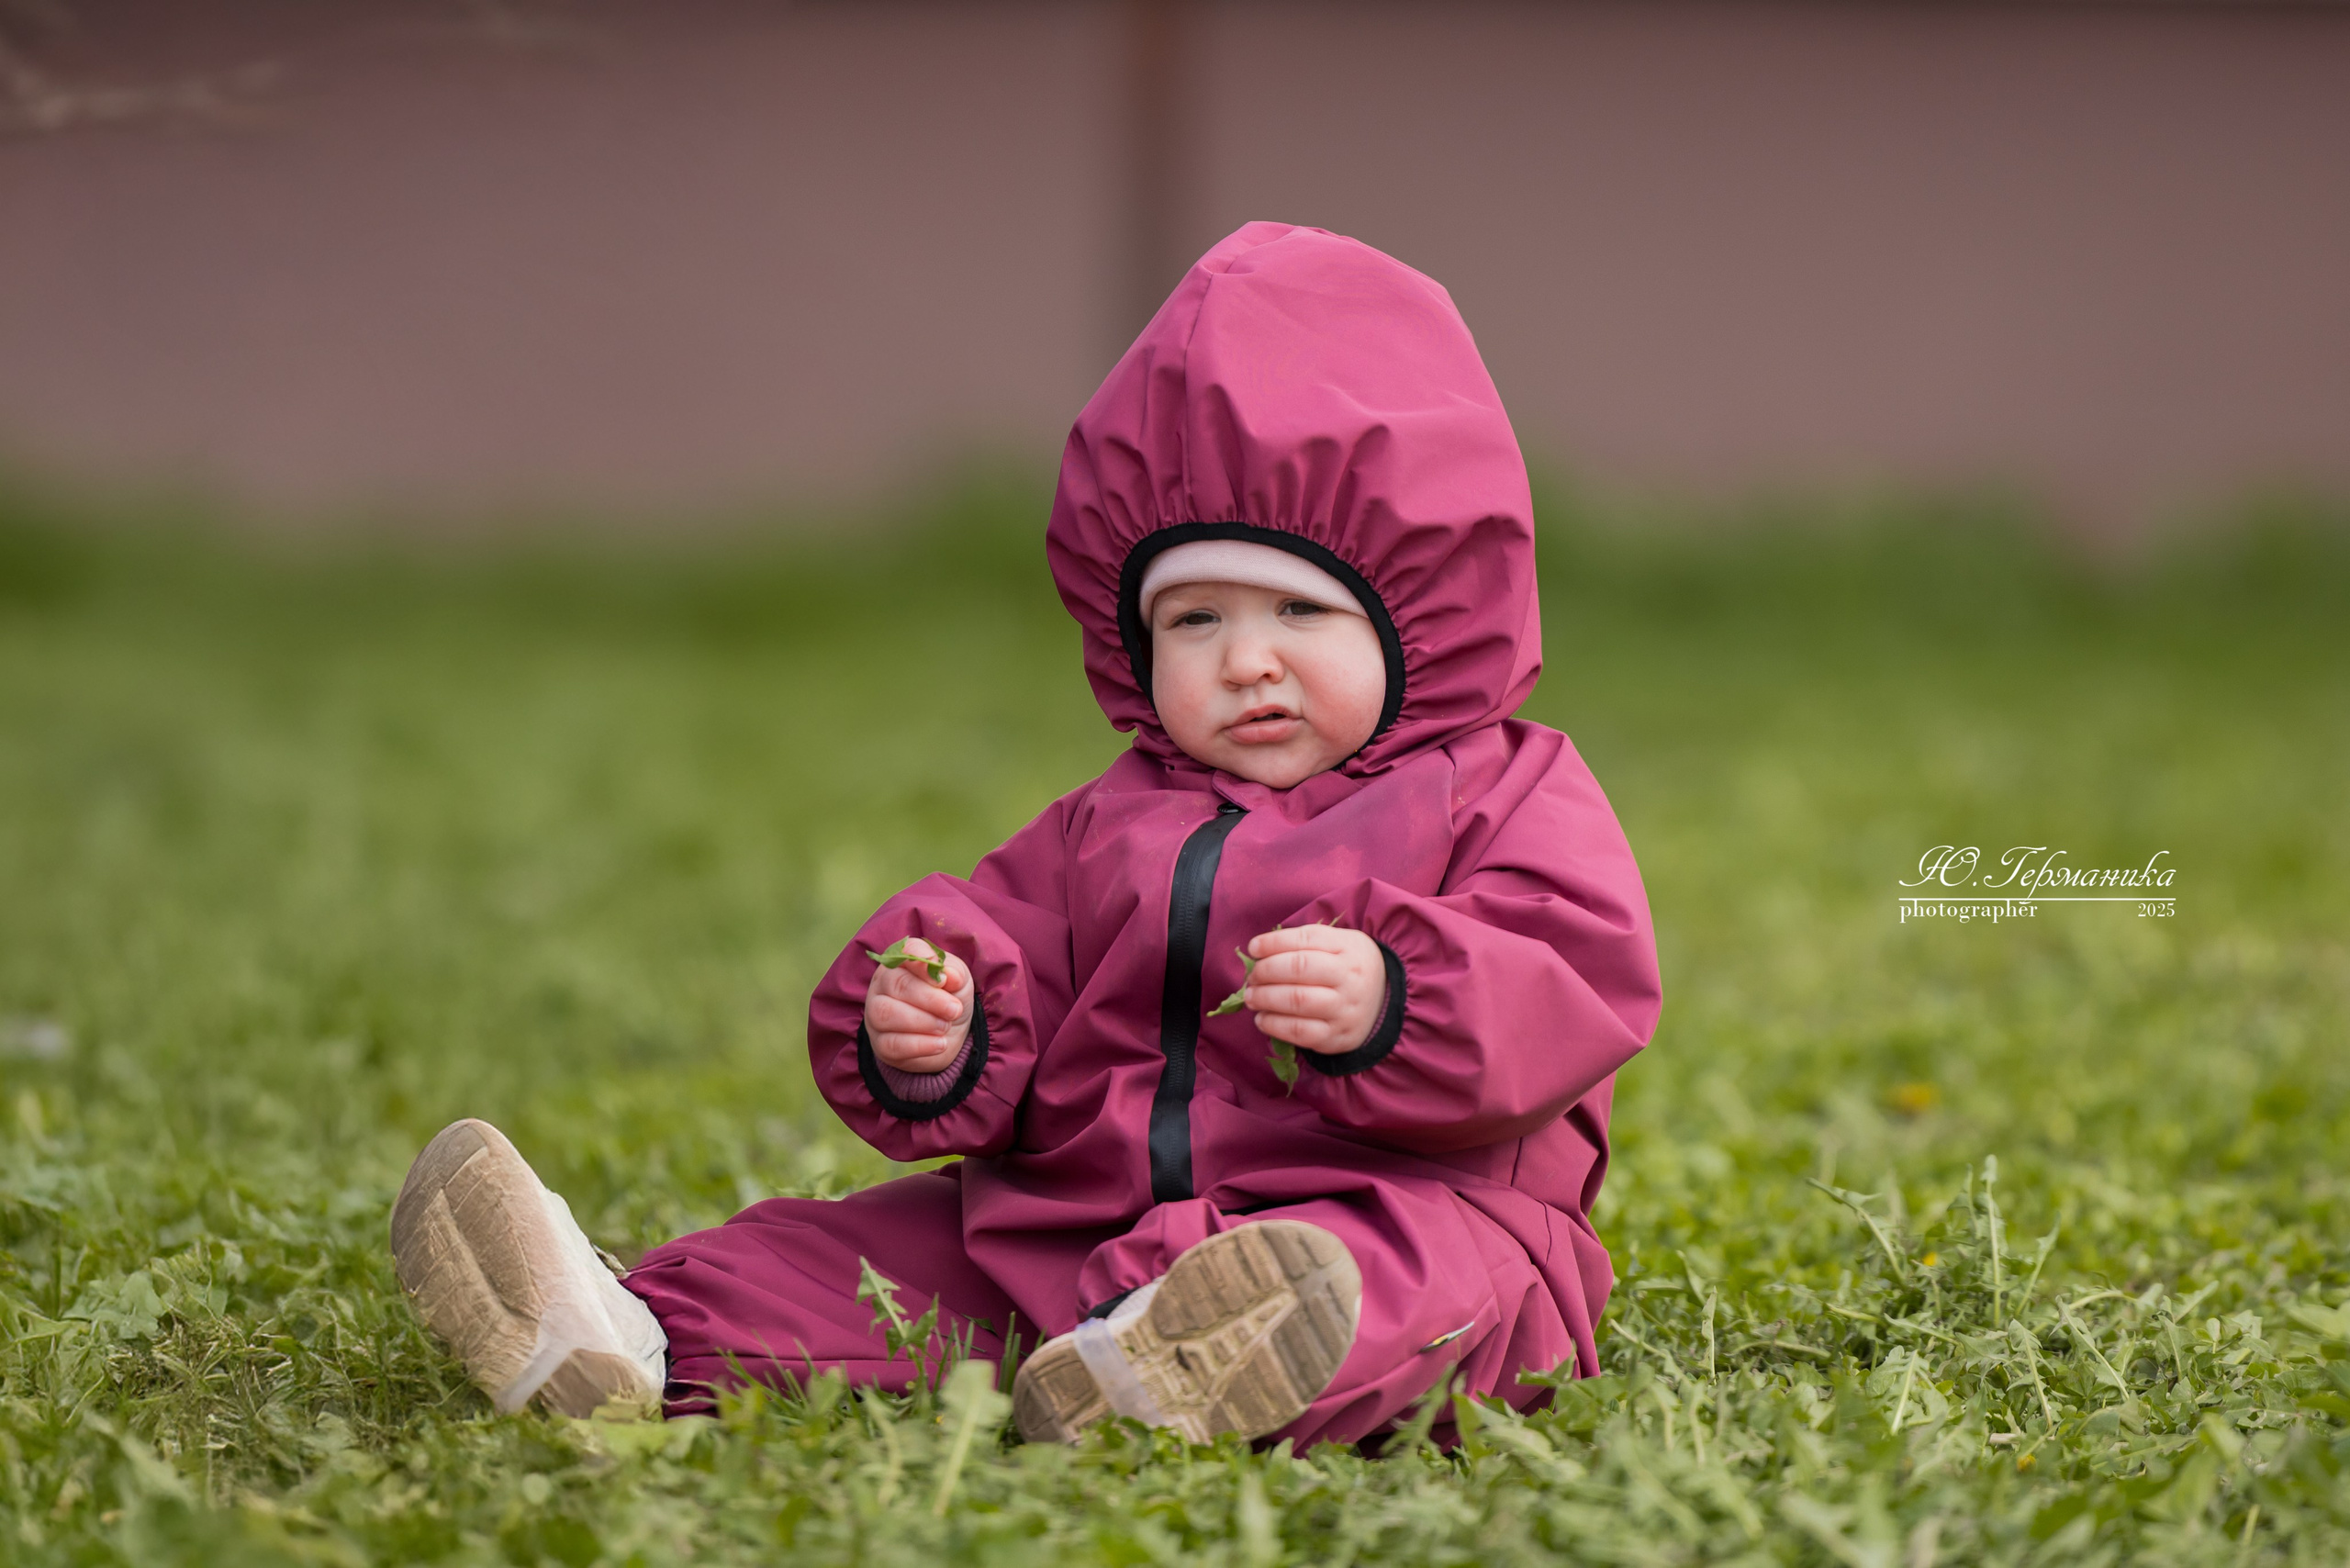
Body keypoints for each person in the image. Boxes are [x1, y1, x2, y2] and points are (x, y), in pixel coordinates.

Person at [389, 221, 1661, 1449]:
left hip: (1401, 1210)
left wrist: (1401, 999)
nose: (1247, 662)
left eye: (1296, 609)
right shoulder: (1114, 821)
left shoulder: (1501, 791)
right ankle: (618, 1334)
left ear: (1421, 607)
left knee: (1425, 1286)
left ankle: (1194, 1359)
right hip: (1069, 1236)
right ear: (1132, 639)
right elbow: (1004, 946)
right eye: (1196, 621)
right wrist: (942, 1029)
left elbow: (1577, 977)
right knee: (856, 1260)